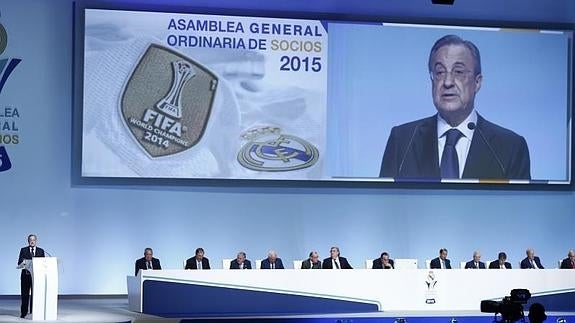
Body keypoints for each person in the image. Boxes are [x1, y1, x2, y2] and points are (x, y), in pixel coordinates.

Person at [380, 34, 530, 180]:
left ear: (477, 83)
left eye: (458, 72)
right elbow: (383, 203)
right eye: (439, 72)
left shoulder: (511, 147)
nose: (447, 82)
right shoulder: (402, 140)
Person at [17, 234, 45, 318]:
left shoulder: (41, 251)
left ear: (36, 241)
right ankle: (24, 312)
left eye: (33, 240)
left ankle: (34, 311)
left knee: (35, 295)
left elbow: (43, 263)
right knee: (24, 295)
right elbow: (19, 262)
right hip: (26, 276)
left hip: (37, 277)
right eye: (30, 240)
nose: (32, 241)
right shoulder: (23, 250)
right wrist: (25, 263)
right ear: (28, 241)